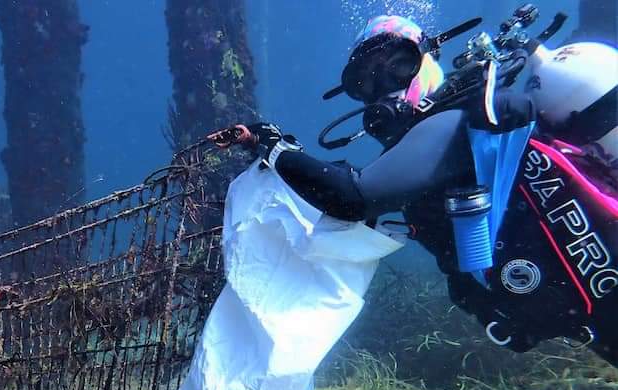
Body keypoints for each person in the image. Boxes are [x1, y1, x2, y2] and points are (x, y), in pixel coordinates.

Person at [214, 15, 618, 366]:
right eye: (366, 83)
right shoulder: (454, 139)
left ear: (427, 60)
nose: (383, 88)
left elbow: (355, 197)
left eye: (398, 66)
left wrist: (271, 146)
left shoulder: (455, 122)